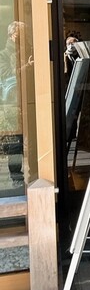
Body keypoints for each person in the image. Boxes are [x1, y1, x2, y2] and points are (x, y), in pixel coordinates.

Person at [0, 21, 33, 187]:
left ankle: (35, 171)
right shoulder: (4, 54)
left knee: (33, 138)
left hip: (30, 99)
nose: (23, 38)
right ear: (12, 35)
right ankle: (16, 178)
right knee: (15, 141)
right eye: (20, 35)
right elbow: (6, 75)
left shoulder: (29, 50)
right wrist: (27, 66)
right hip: (13, 103)